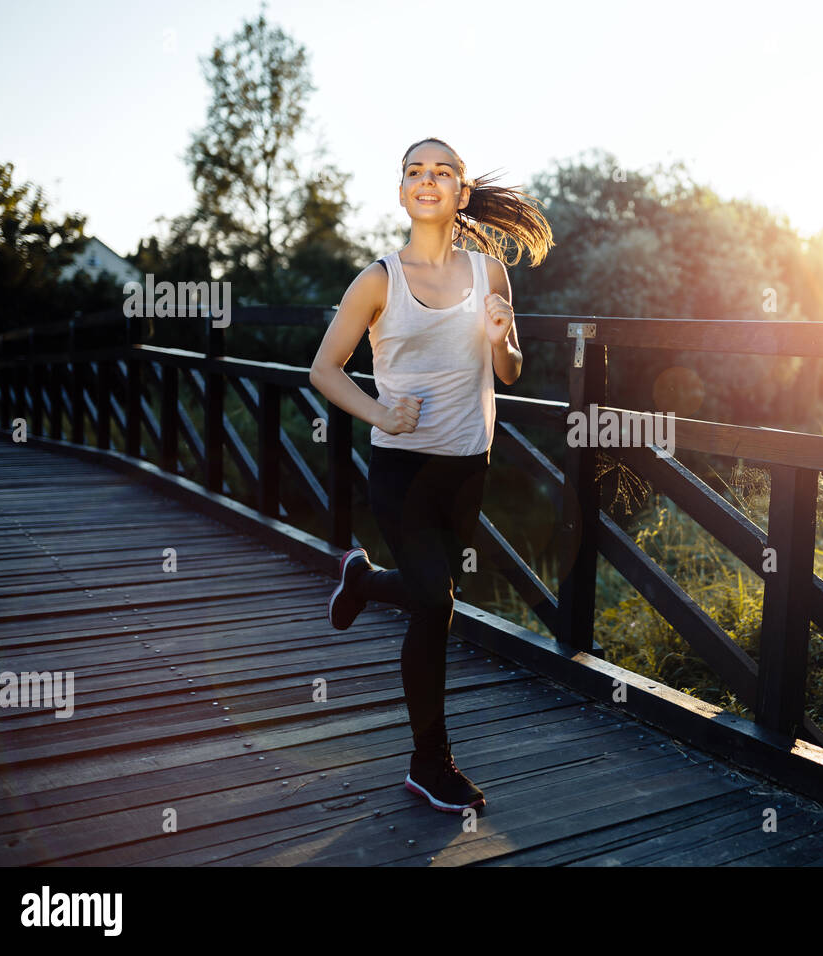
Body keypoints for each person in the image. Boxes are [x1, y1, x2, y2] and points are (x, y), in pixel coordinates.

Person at [309, 137, 553, 813]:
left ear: (461, 194)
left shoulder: (490, 274)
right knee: (438, 604)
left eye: (442, 171)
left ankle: (360, 579)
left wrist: (504, 336)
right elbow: (323, 369)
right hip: (402, 467)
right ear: (402, 192)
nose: (428, 179)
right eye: (415, 170)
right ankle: (430, 763)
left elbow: (509, 372)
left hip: (467, 465)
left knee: (429, 591)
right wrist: (381, 415)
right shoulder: (378, 280)